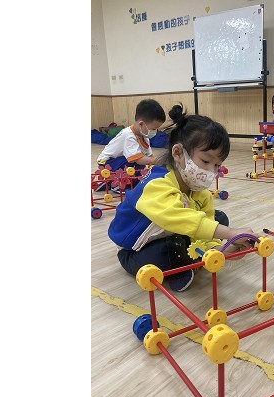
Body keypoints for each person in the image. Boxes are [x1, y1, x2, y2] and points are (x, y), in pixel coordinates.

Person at [107, 103, 259, 292]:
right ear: (178, 153)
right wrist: (229, 233)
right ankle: (180, 270)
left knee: (219, 218)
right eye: (206, 161)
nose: (211, 171)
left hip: (172, 232)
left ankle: (189, 258)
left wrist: (220, 249)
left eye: (217, 165)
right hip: (135, 248)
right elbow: (177, 217)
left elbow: (202, 226)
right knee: (172, 247)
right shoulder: (156, 183)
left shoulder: (200, 193)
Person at [96, 99, 166, 192]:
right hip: (107, 163)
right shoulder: (128, 135)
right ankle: (118, 184)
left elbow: (149, 157)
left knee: (141, 167)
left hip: (122, 161)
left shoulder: (144, 136)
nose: (155, 132)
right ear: (141, 124)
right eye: (154, 129)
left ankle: (111, 181)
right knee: (134, 163)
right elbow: (139, 159)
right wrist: (157, 161)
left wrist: (156, 164)